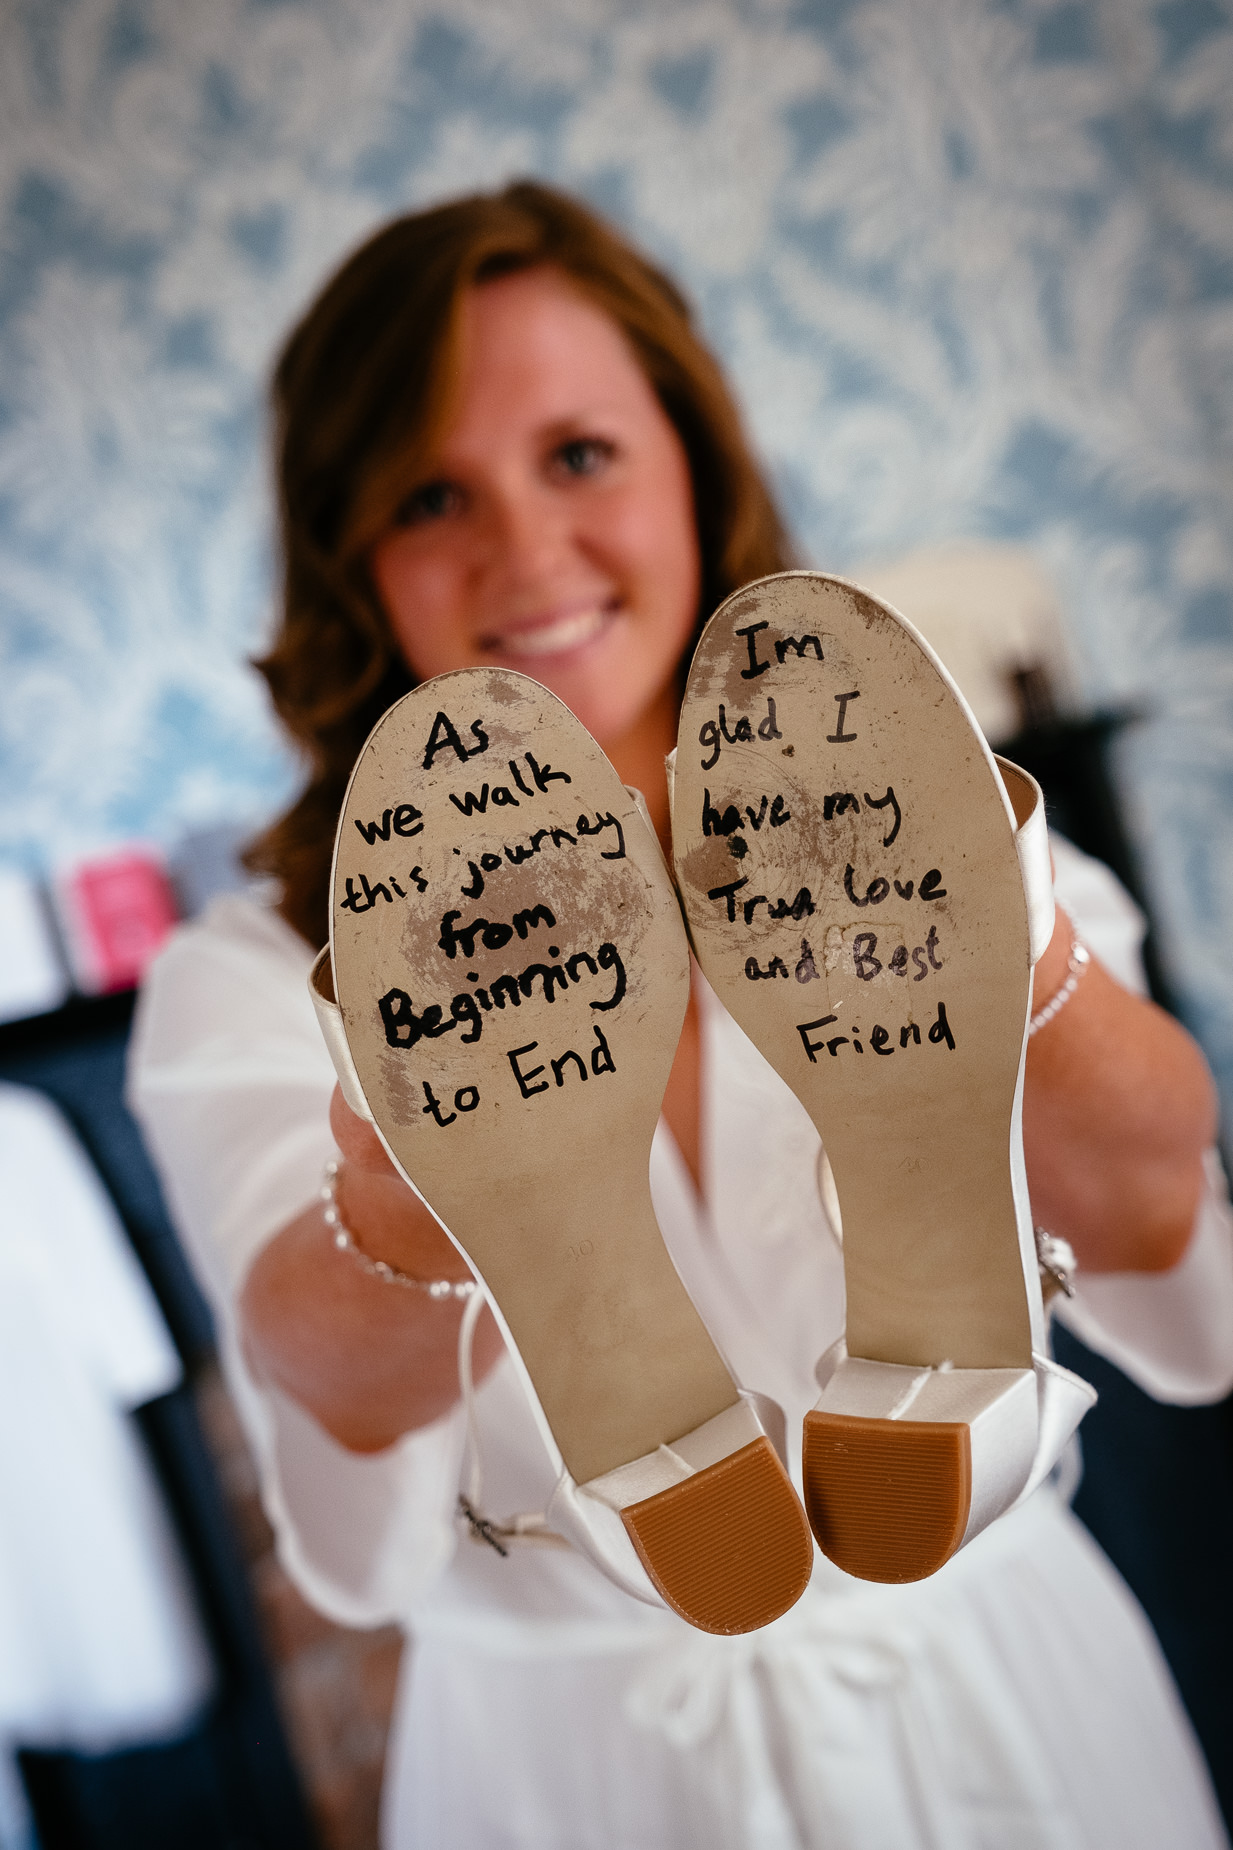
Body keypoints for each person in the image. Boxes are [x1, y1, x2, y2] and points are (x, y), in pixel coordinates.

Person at [129, 181, 1233, 1848]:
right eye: (431, 495)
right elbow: (323, 1395)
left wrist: (984, 927)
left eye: (578, 455)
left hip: (994, 1690)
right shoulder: (251, 969)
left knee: (1017, 992)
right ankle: (856, 1366)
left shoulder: (898, 795)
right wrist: (416, 1184)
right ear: (354, 564)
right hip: (578, 1770)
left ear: (695, 467)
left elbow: (1158, 1219)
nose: (525, 552)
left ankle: (835, 1365)